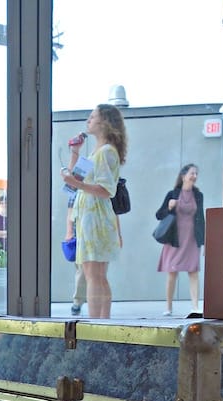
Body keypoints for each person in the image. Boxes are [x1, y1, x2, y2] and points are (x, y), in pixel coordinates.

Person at [60, 104, 126, 319]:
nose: (88, 120)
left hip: (95, 217)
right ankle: (101, 322)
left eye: (93, 117)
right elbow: (74, 180)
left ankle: (97, 323)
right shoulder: (97, 151)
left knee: (93, 275)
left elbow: (107, 189)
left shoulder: (106, 152)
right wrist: (75, 152)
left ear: (104, 122)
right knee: (96, 275)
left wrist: (74, 182)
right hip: (91, 217)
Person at [155, 164, 207, 315]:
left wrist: (204, 241)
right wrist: (170, 207)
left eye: (196, 173)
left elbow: (201, 218)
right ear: (183, 176)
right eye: (192, 173)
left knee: (193, 272)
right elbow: (159, 215)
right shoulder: (172, 193)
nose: (194, 176)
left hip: (191, 238)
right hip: (175, 239)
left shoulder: (198, 195)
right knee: (172, 272)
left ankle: (195, 306)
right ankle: (168, 307)